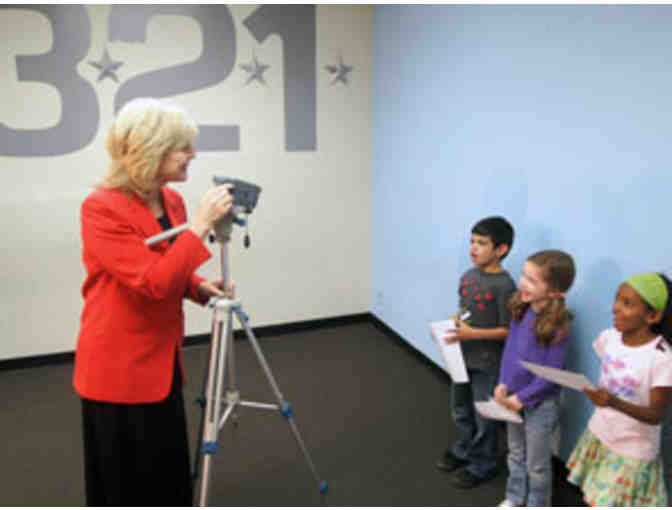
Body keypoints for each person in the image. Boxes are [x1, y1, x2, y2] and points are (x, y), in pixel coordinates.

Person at [73, 98, 235, 506]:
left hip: (162, 357)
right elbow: (151, 282)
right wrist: (200, 226)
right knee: (125, 482)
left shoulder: (171, 200)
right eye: (183, 147)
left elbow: (168, 267)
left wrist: (199, 288)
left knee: (164, 470)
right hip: (119, 365)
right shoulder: (101, 208)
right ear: (152, 148)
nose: (193, 154)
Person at [566, 272, 672, 506]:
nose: (615, 308)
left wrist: (614, 402)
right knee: (593, 497)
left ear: (653, 316)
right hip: (600, 433)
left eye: (627, 303)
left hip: (631, 450)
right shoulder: (609, 338)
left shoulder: (661, 358)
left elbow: (656, 415)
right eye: (617, 299)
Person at [438, 216, 516, 489]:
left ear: (501, 250)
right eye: (472, 241)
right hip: (462, 355)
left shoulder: (505, 286)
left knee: (485, 415)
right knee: (460, 408)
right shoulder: (468, 276)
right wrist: (456, 320)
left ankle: (483, 462)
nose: (473, 248)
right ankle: (464, 449)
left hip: (488, 361)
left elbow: (508, 330)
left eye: (481, 243)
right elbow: (466, 310)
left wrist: (473, 334)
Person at [494, 250, 576, 507]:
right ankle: (514, 497)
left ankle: (538, 503)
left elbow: (551, 375)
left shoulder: (559, 325)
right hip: (513, 397)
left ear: (553, 290)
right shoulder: (521, 309)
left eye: (532, 280)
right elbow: (510, 350)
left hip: (541, 404)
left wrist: (522, 398)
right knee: (515, 452)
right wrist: (503, 382)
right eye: (523, 275)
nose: (522, 283)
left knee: (537, 465)